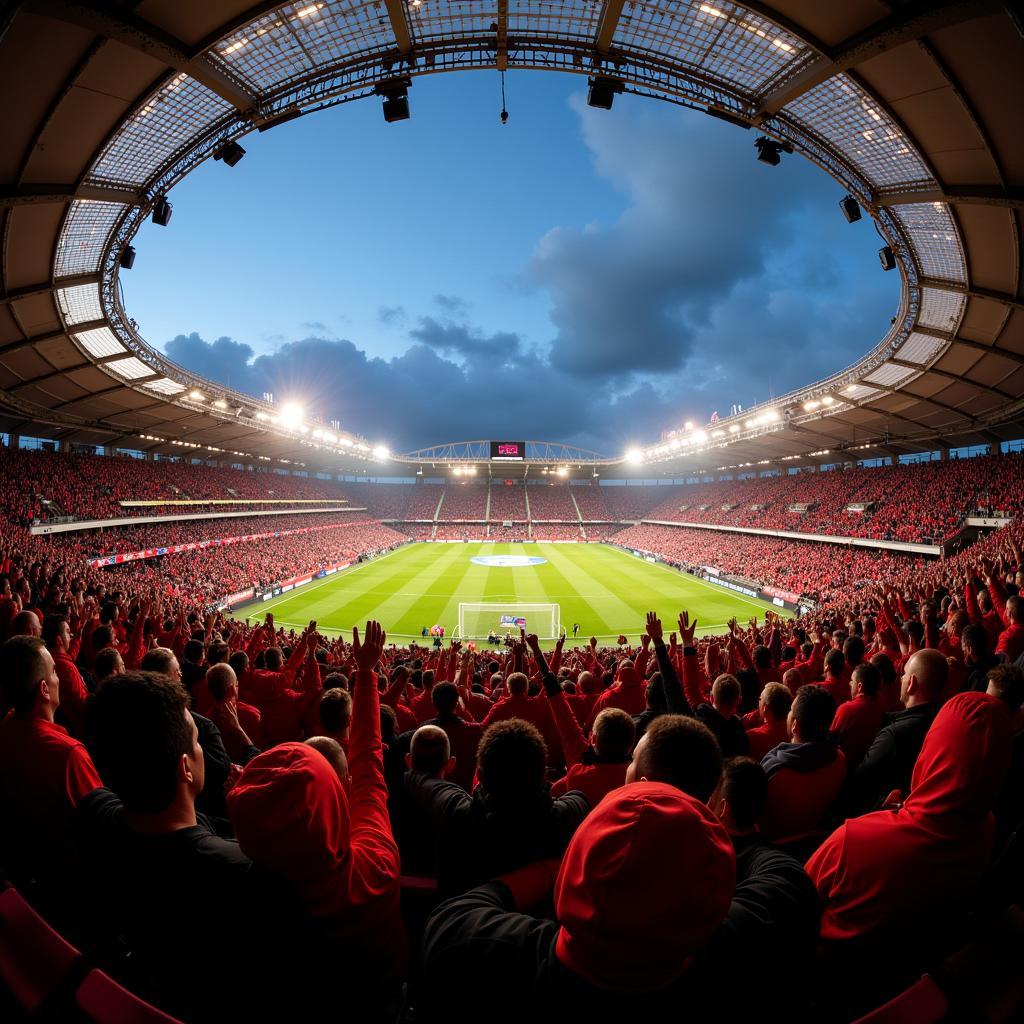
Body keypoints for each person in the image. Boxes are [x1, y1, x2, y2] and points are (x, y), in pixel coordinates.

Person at [77, 671, 297, 1022]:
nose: (200, 749)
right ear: (186, 768)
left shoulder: (93, 811)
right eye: (196, 742)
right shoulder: (244, 876)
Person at [419, 783, 735, 1022]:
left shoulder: (464, 940)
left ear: (574, 866)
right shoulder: (748, 958)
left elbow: (466, 906)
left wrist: (547, 870)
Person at [228, 623, 405, 1017]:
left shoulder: (240, 883)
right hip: (379, 998)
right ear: (339, 785)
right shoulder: (372, 868)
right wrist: (366, 673)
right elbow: (369, 764)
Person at [807, 691, 1012, 957]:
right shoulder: (987, 828)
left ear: (935, 747)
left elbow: (794, 900)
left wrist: (877, 824)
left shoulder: (853, 840)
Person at [404, 714, 589, 897]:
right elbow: (579, 797)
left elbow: (428, 783)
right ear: (543, 775)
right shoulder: (569, 814)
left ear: (480, 776)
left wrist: (412, 769)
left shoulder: (458, 813)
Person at [0, 636, 102, 891]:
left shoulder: (7, 724)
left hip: (36, 866)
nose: (59, 678)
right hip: (75, 882)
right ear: (45, 689)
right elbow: (103, 829)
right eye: (55, 672)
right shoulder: (69, 755)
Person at [848, 648, 947, 814]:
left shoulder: (893, 736)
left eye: (905, 674)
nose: (901, 677)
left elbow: (857, 780)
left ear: (911, 683)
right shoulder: (942, 720)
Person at [759, 684, 846, 840]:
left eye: (791, 710)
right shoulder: (839, 759)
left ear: (794, 725)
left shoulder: (773, 772)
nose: (788, 713)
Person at [831, 662, 886, 770]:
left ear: (860, 686)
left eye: (852, 681)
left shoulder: (847, 710)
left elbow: (830, 743)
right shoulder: (882, 701)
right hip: (873, 766)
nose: (849, 683)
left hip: (848, 768)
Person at [744, 682, 792, 762]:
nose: (758, 703)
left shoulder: (752, 736)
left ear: (765, 708)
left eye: (760, 699)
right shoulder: (795, 733)